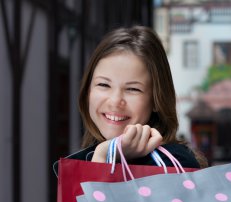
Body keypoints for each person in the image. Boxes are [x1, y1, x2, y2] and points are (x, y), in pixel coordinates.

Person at [54, 26, 207, 171]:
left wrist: (104, 156)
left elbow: (98, 198)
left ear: (156, 99)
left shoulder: (175, 164)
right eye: (103, 84)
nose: (115, 101)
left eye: (132, 89)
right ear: (88, 90)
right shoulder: (86, 156)